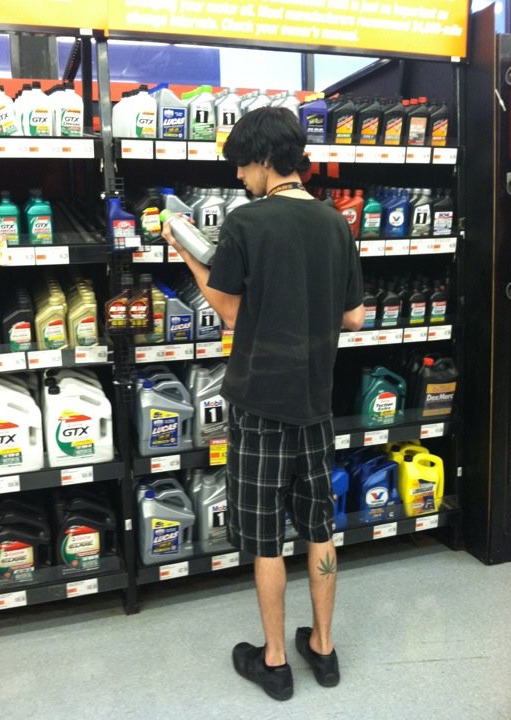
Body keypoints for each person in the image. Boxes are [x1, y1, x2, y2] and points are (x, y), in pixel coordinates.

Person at [161, 106, 364, 702]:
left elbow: (229, 311)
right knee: (319, 527)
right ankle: (322, 647)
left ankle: (274, 661)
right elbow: (354, 316)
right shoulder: (334, 223)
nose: (239, 176)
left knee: (267, 536)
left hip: (258, 402)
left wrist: (186, 250)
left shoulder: (248, 221)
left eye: (243, 164)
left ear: (265, 159)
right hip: (315, 400)